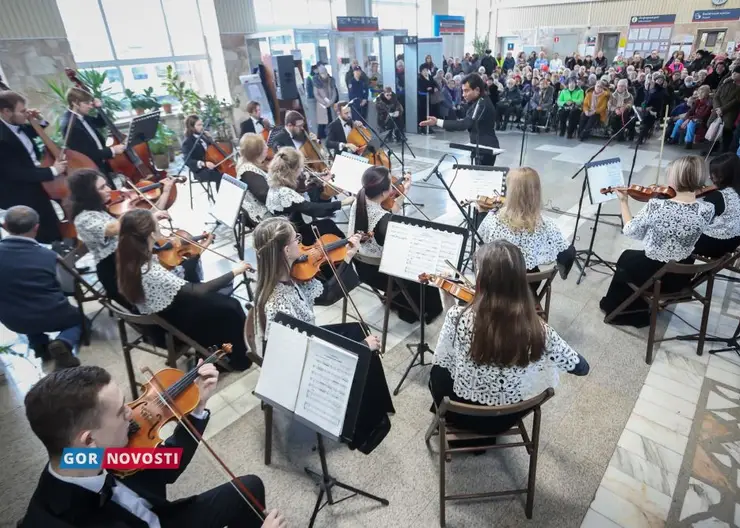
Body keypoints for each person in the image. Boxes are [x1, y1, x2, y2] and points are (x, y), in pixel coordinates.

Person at [20, 365, 286, 528]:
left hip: (166, 520)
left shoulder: (87, 458)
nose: (132, 412)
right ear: (89, 440)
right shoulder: (56, 520)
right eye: (119, 412)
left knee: (249, 487)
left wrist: (198, 406)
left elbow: (169, 466)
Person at [250, 217, 394, 453]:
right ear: (286, 250)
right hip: (299, 361)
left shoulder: (287, 275)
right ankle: (364, 430)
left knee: (357, 329)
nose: (302, 243)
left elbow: (326, 295)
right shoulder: (278, 303)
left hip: (305, 338)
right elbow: (305, 355)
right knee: (363, 352)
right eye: (297, 239)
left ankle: (378, 404)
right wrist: (359, 348)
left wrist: (346, 257)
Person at [429, 240, 589, 435]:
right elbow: (582, 368)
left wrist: (448, 298)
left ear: (481, 280)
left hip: (459, 411)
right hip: (505, 419)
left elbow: (446, 352)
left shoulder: (458, 316)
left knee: (438, 370)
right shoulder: (539, 330)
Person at [116, 209, 253, 370]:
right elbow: (198, 290)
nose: (162, 229)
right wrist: (235, 271)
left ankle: (223, 349)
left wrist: (199, 248)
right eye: (157, 226)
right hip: (171, 323)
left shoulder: (129, 256)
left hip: (162, 314)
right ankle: (239, 359)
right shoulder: (151, 271)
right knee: (231, 307)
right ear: (152, 235)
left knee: (223, 301)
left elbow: (179, 273)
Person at [600, 156, 715, 327]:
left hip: (656, 275)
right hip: (682, 274)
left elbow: (631, 230)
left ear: (676, 178)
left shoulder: (657, 206)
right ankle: (631, 304)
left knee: (625, 259)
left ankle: (622, 311)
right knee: (631, 258)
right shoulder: (708, 208)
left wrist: (624, 202)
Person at [347, 166, 444, 324]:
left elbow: (389, 212)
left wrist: (404, 192)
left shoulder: (359, 200)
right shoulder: (384, 221)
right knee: (421, 265)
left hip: (361, 269)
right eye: (390, 185)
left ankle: (402, 302)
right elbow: (400, 242)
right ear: (385, 192)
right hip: (382, 276)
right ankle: (426, 310)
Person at [68, 168, 174, 308]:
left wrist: (166, 191)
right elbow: (115, 228)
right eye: (102, 187)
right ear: (89, 194)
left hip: (130, 262)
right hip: (116, 273)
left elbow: (148, 216)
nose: (109, 190)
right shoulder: (83, 219)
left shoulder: (100, 210)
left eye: (106, 185)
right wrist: (145, 215)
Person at [0, 206, 81, 368]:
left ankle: (40, 345)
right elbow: (69, 288)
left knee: (23, 307)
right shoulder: (49, 256)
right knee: (79, 321)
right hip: (52, 314)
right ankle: (64, 342)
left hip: (12, 320)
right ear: (36, 227)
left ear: (5, 226)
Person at [479, 167, 575, 280]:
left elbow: (480, 244)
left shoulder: (493, 218)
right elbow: (568, 254)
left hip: (494, 285)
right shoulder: (546, 225)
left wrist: (481, 214)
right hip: (528, 289)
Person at [0, 91, 67, 243]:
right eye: (22, 111)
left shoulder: (17, 125)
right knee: (38, 227)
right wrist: (53, 170)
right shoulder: (2, 138)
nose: (26, 113)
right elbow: (16, 173)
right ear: (6, 111)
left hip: (35, 181)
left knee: (50, 220)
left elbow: (35, 131)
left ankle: (61, 249)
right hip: (19, 192)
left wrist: (39, 120)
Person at [265, 147, 351, 245]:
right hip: (289, 236)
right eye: (300, 169)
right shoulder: (284, 193)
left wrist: (320, 182)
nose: (302, 172)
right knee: (328, 224)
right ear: (292, 171)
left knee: (325, 224)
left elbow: (299, 193)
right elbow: (313, 209)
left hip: (289, 226)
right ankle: (348, 249)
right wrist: (342, 203)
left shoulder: (277, 179)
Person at [420, 74, 500, 165]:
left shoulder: (482, 103)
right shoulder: (478, 102)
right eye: (463, 91)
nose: (463, 95)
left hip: (486, 148)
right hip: (480, 147)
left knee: (483, 177)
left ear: (477, 90)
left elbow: (465, 124)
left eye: (466, 91)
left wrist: (437, 121)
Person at [60, 87, 125, 178]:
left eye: (90, 103)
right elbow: (87, 154)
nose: (90, 106)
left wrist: (99, 108)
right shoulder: (70, 125)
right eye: (86, 103)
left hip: (100, 164)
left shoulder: (82, 115)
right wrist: (112, 150)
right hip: (91, 169)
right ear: (75, 103)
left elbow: (100, 122)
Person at [694, 153, 740, 258]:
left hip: (716, 245)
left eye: (714, 174)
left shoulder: (719, 196)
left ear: (724, 176)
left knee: (682, 235)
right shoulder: (735, 190)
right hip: (734, 241)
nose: (710, 177)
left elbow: (699, 220)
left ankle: (682, 270)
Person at [237, 133, 272, 227]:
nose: (267, 147)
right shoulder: (249, 171)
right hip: (265, 217)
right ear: (257, 151)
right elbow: (265, 195)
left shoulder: (249, 164)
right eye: (264, 145)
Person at [181, 115, 223, 191]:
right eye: (199, 125)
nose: (202, 127)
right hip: (200, 171)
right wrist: (204, 163)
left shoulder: (203, 136)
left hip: (212, 164)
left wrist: (210, 139)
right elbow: (188, 161)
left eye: (202, 124)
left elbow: (212, 150)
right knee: (221, 177)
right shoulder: (187, 142)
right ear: (191, 127)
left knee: (226, 174)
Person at [706, 66, 740, 155]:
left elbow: (736, 101)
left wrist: (722, 109)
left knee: (725, 130)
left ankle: (722, 151)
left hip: (729, 112)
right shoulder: (726, 82)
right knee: (712, 127)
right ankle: (710, 149)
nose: (733, 74)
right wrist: (717, 108)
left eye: (736, 73)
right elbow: (716, 96)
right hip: (717, 109)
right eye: (733, 72)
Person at [669, 85, 712, 149]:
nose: (699, 94)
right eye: (699, 92)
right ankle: (674, 138)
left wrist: (689, 119)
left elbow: (703, 115)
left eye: (701, 93)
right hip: (692, 118)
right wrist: (687, 117)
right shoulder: (697, 101)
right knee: (679, 121)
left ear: (705, 93)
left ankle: (688, 142)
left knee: (691, 124)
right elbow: (690, 111)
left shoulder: (709, 103)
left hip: (702, 120)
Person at [638, 74, 668, 145]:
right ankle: (641, 137)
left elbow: (661, 101)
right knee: (644, 123)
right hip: (644, 109)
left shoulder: (661, 90)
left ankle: (642, 137)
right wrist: (643, 107)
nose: (659, 81)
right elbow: (642, 100)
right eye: (658, 80)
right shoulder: (646, 89)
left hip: (654, 110)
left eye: (661, 80)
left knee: (647, 124)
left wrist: (651, 108)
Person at [313, 65, 338, 139]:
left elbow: (334, 92)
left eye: (325, 73)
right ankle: (320, 138)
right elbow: (316, 94)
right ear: (319, 74)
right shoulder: (316, 81)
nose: (324, 75)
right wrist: (324, 103)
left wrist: (331, 102)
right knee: (322, 122)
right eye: (322, 73)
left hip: (330, 103)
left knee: (331, 121)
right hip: (321, 104)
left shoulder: (331, 80)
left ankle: (331, 136)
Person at [417, 64, 440, 132]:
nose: (425, 72)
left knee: (429, 112)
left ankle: (428, 126)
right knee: (423, 113)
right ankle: (422, 127)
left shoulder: (430, 77)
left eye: (426, 70)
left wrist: (431, 88)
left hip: (430, 98)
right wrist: (430, 89)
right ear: (421, 71)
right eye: (424, 70)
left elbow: (435, 85)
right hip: (422, 99)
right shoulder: (419, 79)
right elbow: (422, 88)